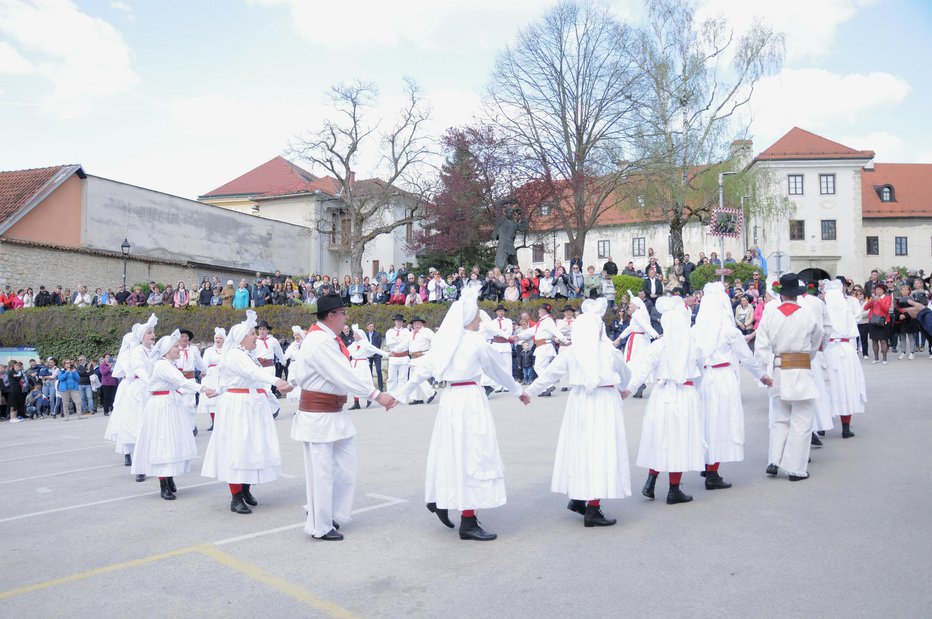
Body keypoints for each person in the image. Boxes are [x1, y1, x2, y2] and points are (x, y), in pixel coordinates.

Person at [394, 287, 528, 541]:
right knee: (474, 454)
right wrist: (518, 390)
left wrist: (399, 395)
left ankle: (441, 499)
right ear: (468, 319)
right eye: (478, 316)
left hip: (450, 400)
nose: (480, 320)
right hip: (469, 400)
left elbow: (422, 370)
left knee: (451, 451)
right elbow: (498, 371)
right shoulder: (475, 341)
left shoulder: (445, 342)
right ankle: (467, 520)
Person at [290, 295, 396, 541]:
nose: (346, 317)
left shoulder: (324, 338)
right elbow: (342, 375)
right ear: (331, 315)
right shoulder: (320, 341)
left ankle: (333, 514)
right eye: (343, 313)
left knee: (344, 468)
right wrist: (376, 395)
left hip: (334, 413)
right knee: (322, 472)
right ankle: (320, 525)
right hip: (318, 415)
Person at [525, 297, 632, 527]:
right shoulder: (609, 352)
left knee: (583, 449)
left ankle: (579, 497)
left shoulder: (572, 352)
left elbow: (549, 375)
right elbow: (626, 376)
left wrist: (529, 392)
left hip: (579, 403)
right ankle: (592, 508)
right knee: (601, 451)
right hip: (604, 402)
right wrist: (623, 390)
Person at [202, 311, 292, 515]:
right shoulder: (235, 354)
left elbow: (250, 377)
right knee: (238, 447)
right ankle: (236, 497)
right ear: (241, 337)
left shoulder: (247, 355)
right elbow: (251, 374)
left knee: (251, 446)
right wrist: (276, 381)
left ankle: (245, 489)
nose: (255, 336)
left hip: (251, 403)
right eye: (252, 333)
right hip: (239, 406)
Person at [623, 296, 704, 504]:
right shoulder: (693, 346)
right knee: (679, 440)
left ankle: (651, 482)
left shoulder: (660, 346)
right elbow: (700, 373)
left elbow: (641, 368)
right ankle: (674, 489)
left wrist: (628, 389)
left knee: (660, 437)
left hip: (662, 394)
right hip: (685, 395)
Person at [694, 283, 771, 489]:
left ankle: (706, 462)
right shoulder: (729, 331)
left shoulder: (695, 330)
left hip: (702, 379)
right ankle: (712, 472)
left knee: (706, 421)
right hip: (722, 378)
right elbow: (747, 358)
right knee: (720, 423)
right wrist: (762, 376)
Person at [132, 330, 216, 500]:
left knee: (171, 442)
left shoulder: (168, 364)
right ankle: (164, 483)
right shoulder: (162, 365)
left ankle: (168, 478)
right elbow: (181, 381)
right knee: (163, 442)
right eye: (176, 346)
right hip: (162, 406)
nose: (179, 349)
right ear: (166, 350)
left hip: (170, 403)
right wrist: (203, 388)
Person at [754, 273, 822, 481]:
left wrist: (764, 371)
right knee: (801, 419)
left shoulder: (770, 314)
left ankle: (774, 460)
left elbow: (761, 347)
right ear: (798, 294)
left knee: (780, 418)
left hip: (778, 368)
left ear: (781, 295)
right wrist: (805, 358)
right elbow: (816, 340)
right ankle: (794, 467)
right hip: (800, 368)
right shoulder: (808, 314)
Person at [110, 315, 158, 480]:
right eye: (149, 332)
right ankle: (138, 464)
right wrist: (150, 382)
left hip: (149, 389)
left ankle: (149, 459)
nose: (153, 335)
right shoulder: (135, 352)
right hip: (137, 390)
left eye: (153, 332)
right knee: (136, 425)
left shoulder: (153, 351)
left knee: (150, 425)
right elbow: (138, 369)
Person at [823, 279, 867, 439]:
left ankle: (822, 425)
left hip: (829, 350)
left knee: (827, 386)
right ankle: (846, 428)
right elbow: (853, 331)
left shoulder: (825, 313)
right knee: (847, 387)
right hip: (846, 350)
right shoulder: (846, 311)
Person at [517, 303, 568, 397]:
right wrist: (518, 336)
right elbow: (531, 331)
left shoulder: (548, 320)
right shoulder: (542, 321)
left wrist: (564, 340)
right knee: (543, 368)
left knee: (538, 367)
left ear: (544, 311)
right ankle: (546, 388)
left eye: (540, 310)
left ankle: (549, 386)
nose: (538, 311)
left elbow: (555, 331)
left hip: (545, 346)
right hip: (541, 346)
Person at [617, 297, 660, 398]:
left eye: (631, 304)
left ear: (636, 305)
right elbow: (630, 328)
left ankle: (638, 384)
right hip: (638, 339)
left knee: (635, 361)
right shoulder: (637, 314)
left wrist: (656, 335)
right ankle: (638, 384)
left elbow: (646, 326)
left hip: (637, 341)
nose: (629, 306)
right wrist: (619, 338)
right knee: (638, 361)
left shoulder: (637, 314)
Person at [347, 324, 389, 409]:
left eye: (355, 334)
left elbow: (376, 350)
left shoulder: (365, 344)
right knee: (355, 383)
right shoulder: (353, 344)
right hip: (354, 365)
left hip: (362, 365)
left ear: (360, 335)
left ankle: (369, 397)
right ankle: (356, 402)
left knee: (364, 382)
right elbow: (346, 351)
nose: (353, 336)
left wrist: (387, 354)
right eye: (354, 334)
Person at [175, 329, 205, 433]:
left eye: (186, 337)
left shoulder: (193, 350)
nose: (185, 338)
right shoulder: (173, 349)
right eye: (182, 336)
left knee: (189, 405)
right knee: (177, 405)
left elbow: (200, 363)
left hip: (189, 380)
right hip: (176, 381)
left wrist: (204, 370)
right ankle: (179, 428)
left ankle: (191, 427)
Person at [198, 328, 226, 431]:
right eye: (216, 338)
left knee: (222, 398)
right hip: (211, 375)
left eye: (220, 338)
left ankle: (223, 421)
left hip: (222, 374)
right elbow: (205, 363)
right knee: (212, 399)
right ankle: (214, 421)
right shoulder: (209, 350)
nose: (218, 339)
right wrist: (203, 372)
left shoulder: (227, 350)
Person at [406, 317, 436, 405]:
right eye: (415, 324)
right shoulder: (411, 333)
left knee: (419, 376)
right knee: (414, 378)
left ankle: (431, 393)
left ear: (422, 324)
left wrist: (431, 353)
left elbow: (435, 341)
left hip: (423, 356)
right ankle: (417, 398)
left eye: (419, 323)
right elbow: (405, 344)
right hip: (414, 357)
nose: (417, 325)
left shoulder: (427, 331)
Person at [385, 314, 411, 394]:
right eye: (397, 321)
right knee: (391, 377)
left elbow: (406, 343)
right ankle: (391, 394)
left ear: (402, 322)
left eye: (400, 321)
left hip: (404, 356)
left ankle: (401, 394)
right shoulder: (390, 331)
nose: (399, 322)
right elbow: (389, 343)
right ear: (395, 322)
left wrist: (395, 340)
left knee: (403, 378)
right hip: (394, 357)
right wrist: (400, 340)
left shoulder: (406, 331)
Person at [283, 326, 305, 402]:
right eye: (295, 335)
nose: (296, 337)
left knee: (301, 385)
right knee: (293, 384)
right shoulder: (292, 345)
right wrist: (282, 358)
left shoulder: (304, 344)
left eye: (298, 335)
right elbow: (287, 355)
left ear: (301, 335)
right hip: (293, 366)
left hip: (301, 366)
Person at [365, 323, 384, 391]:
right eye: (370, 326)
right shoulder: (365, 335)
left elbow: (378, 345)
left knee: (378, 370)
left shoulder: (377, 334)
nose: (371, 327)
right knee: (369, 372)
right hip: (368, 355)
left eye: (372, 326)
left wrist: (373, 352)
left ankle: (381, 387)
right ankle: (370, 387)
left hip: (376, 354)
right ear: (367, 327)